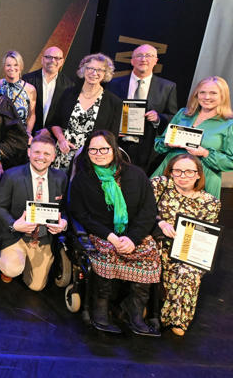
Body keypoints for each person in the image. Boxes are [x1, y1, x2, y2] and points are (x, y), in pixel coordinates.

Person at [68, 130, 161, 336]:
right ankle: (100, 308)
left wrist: (132, 238)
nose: (98, 154)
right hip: (102, 234)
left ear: (114, 149)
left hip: (132, 234)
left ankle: (134, 312)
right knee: (106, 252)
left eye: (104, 149)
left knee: (150, 251)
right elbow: (80, 214)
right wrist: (110, 236)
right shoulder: (83, 179)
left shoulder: (136, 175)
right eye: (93, 150)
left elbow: (148, 211)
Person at [151, 154, 220, 336]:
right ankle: (155, 311)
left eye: (189, 171)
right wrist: (160, 222)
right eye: (178, 171)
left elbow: (206, 235)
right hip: (157, 242)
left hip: (187, 249)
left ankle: (176, 320)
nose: (183, 175)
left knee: (188, 272)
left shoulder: (210, 203)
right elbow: (144, 209)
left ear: (198, 174)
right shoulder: (160, 185)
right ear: (171, 172)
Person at [0, 131, 68, 290]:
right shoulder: (11, 175)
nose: (41, 157)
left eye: (47, 154)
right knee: (12, 268)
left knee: (36, 286)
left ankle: (27, 264)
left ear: (54, 156)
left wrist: (63, 222)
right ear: (29, 152)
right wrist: (14, 225)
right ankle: (10, 264)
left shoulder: (61, 177)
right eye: (37, 152)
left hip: (43, 237)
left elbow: (64, 209)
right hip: (16, 235)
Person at [152, 76, 233, 198]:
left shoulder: (232, 126)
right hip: (170, 173)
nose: (207, 97)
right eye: (202, 92)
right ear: (196, 95)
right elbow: (158, 144)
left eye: (213, 93)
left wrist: (205, 153)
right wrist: (167, 143)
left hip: (202, 179)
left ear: (223, 96)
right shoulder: (183, 114)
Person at [107, 44, 178, 173]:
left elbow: (173, 117)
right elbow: (106, 113)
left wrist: (158, 118)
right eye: (139, 55)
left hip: (147, 149)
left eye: (149, 56)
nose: (144, 59)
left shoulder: (167, 87)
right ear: (132, 61)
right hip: (118, 143)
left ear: (155, 61)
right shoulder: (113, 84)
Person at [48, 53, 122, 170]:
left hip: (91, 160)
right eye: (90, 68)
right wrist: (61, 140)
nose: (94, 73)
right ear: (83, 70)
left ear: (105, 73)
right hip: (63, 155)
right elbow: (54, 123)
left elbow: (112, 137)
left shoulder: (114, 102)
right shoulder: (68, 93)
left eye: (99, 70)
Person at [23, 46, 74, 133]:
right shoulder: (27, 80)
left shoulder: (69, 85)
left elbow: (65, 116)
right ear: (42, 60)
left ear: (62, 62)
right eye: (48, 57)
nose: (52, 61)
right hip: (28, 134)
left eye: (57, 58)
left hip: (52, 136)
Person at [0, 50, 36, 135]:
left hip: (20, 135)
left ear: (21, 66)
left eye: (15, 65)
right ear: (4, 67)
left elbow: (32, 115)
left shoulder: (30, 89)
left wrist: (28, 133)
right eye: (8, 65)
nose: (12, 68)